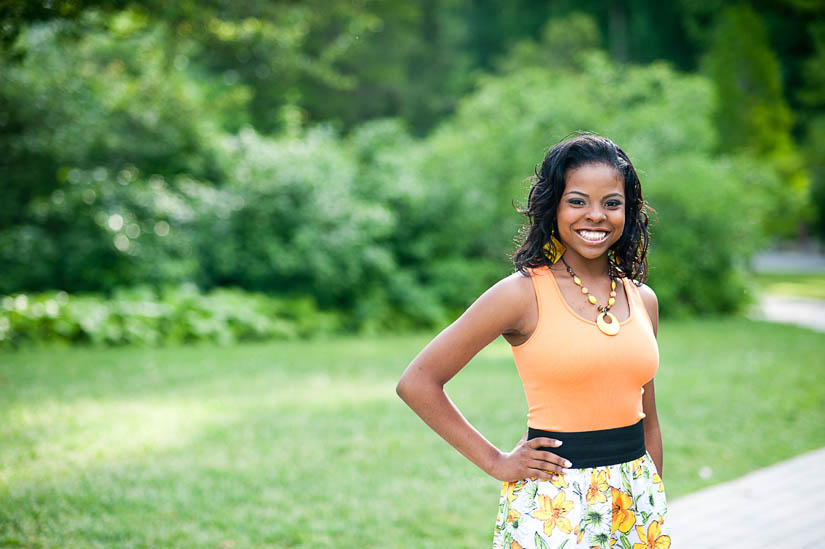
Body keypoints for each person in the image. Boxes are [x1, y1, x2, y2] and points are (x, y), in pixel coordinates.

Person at [396, 134, 671, 548]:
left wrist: (651, 498)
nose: (595, 216)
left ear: (628, 212)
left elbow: (649, 420)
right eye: (577, 201)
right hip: (553, 504)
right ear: (554, 206)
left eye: (611, 203)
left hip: (634, 502)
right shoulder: (521, 294)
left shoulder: (642, 300)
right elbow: (417, 382)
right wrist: (496, 461)